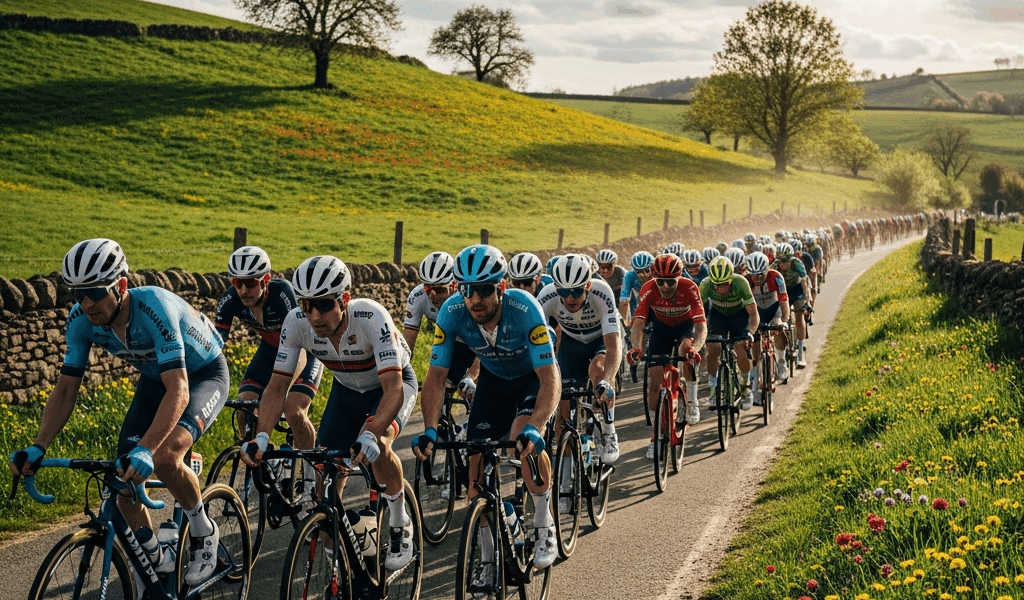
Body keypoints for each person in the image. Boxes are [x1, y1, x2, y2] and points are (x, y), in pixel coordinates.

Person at [10, 239, 229, 585]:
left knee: (167, 456)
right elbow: (66, 389)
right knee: (121, 473)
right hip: (156, 379)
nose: (85, 303)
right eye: (77, 294)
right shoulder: (81, 321)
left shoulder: (155, 308)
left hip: (202, 375)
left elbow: (180, 389)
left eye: (95, 292)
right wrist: (39, 445)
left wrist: (148, 448)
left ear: (121, 285)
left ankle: (204, 530)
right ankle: (157, 558)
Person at [241, 255, 418, 570]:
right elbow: (276, 388)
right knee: (325, 480)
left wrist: (371, 432)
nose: (315, 315)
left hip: (390, 386)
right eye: (307, 305)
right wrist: (263, 437)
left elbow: (393, 388)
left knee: (381, 446)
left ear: (344, 299)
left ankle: (400, 521)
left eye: (323, 305)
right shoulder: (296, 323)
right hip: (347, 390)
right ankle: (339, 564)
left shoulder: (371, 317)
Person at [411, 244, 561, 571]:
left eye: (483, 289)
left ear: (501, 287)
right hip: (494, 382)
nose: (474, 298)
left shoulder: (525, 308)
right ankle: (488, 555)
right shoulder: (452, 313)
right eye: (467, 289)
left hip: (531, 378)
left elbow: (550, 379)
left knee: (523, 437)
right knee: (475, 469)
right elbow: (435, 378)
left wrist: (537, 424)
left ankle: (542, 519)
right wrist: (431, 429)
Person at [215, 245, 323, 505]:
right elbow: (214, 348)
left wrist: (279, 393)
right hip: (270, 351)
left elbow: (296, 344)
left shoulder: (283, 295)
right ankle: (263, 462)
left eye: (250, 284)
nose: (243, 291)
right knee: (244, 404)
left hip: (305, 350)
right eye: (237, 283)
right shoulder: (230, 300)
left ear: (265, 280)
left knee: (294, 410)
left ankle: (311, 477)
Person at [538, 254, 622, 463]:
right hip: (571, 344)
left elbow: (613, 343)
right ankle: (565, 480)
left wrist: (609, 379)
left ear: (587, 285)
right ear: (556, 287)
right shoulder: (547, 295)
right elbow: (533, 337)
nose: (569, 299)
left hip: (599, 340)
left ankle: (609, 429)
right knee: (562, 415)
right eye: (563, 292)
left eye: (576, 291)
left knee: (598, 370)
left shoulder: (601, 291)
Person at [626, 254, 706, 459]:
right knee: (654, 378)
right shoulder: (649, 289)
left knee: (684, 352)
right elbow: (638, 324)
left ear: (678, 278)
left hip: (684, 328)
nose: (665, 286)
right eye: (660, 281)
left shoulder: (689, 288)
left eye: (670, 282)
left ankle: (692, 401)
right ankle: (655, 436)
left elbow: (700, 325)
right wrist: (636, 348)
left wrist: (695, 348)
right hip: (661, 329)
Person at [402, 252, 478, 396]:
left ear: (454, 285)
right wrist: (398, 372)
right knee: (441, 382)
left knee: (480, 389)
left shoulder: (468, 297)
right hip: (451, 341)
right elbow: (408, 342)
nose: (432, 296)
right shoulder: (417, 297)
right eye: (428, 289)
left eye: (439, 289)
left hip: (478, 341)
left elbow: (486, 341)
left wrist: (471, 375)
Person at [698, 257, 759, 409]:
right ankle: (714, 388)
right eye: (716, 284)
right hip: (718, 316)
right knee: (713, 349)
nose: (719, 288)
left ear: (731, 280)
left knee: (741, 347)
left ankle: (745, 387)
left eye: (723, 284)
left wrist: (750, 333)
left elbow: (753, 314)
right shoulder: (705, 284)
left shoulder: (741, 283)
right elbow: (697, 313)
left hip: (740, 315)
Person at [744, 252, 791, 389]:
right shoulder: (746, 281)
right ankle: (754, 377)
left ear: (767, 270)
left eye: (761, 274)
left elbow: (783, 300)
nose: (757, 278)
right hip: (757, 313)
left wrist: (785, 320)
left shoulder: (776, 277)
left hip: (774, 309)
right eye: (754, 274)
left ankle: (781, 361)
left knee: (778, 326)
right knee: (755, 347)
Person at [773, 243, 812, 369]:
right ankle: (781, 356)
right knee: (779, 318)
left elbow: (804, 282)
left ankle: (801, 352)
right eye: (779, 261)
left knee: (799, 315)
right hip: (783, 292)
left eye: (784, 261)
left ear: (790, 259)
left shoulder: (797, 264)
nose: (781, 264)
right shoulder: (774, 266)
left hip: (797, 289)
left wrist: (806, 300)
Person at [618, 251, 654, 326]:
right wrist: (626, 324)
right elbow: (624, 301)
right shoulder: (629, 275)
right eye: (639, 272)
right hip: (640, 300)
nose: (644, 275)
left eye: (647, 271)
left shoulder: (658, 272)